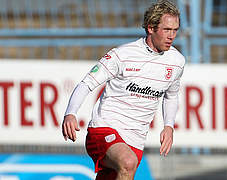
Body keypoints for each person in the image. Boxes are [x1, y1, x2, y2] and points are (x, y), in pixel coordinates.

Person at [62, 0, 185, 179]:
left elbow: (171, 96)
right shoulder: (122, 55)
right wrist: (70, 113)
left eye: (175, 30)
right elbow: (86, 83)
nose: (172, 36)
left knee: (126, 166)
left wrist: (169, 126)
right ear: (151, 27)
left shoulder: (177, 61)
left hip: (135, 138)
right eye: (167, 30)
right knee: (128, 162)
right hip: (104, 128)